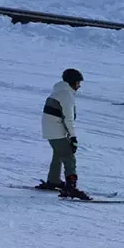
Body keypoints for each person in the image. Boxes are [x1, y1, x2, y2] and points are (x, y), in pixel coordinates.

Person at [37, 68, 91, 200]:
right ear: (73, 82)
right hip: (56, 130)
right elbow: (69, 118)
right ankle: (70, 188)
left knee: (58, 154)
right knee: (69, 157)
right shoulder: (66, 95)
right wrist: (73, 137)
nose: (79, 86)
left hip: (49, 129)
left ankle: (53, 180)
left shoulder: (58, 91)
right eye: (78, 83)